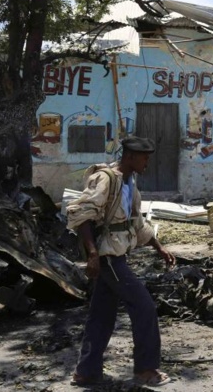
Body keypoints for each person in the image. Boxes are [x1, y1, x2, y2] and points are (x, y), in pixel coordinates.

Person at [66, 136, 176, 387]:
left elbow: (136, 222)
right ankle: (146, 370)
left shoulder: (129, 181)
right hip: (108, 257)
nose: (147, 162)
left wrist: (159, 248)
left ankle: (86, 372)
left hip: (118, 253)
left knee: (101, 315)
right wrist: (92, 254)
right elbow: (80, 213)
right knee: (145, 307)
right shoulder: (105, 179)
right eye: (144, 158)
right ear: (130, 157)